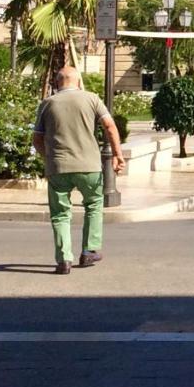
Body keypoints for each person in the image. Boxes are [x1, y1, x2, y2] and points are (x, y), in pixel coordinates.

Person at [31, 66, 125, 275]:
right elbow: (109, 126)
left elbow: (37, 138)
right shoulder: (91, 99)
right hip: (89, 166)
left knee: (60, 214)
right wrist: (118, 154)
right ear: (79, 81)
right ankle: (90, 250)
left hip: (58, 167)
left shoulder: (47, 104)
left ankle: (64, 259)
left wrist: (49, 157)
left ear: (57, 83)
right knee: (93, 204)